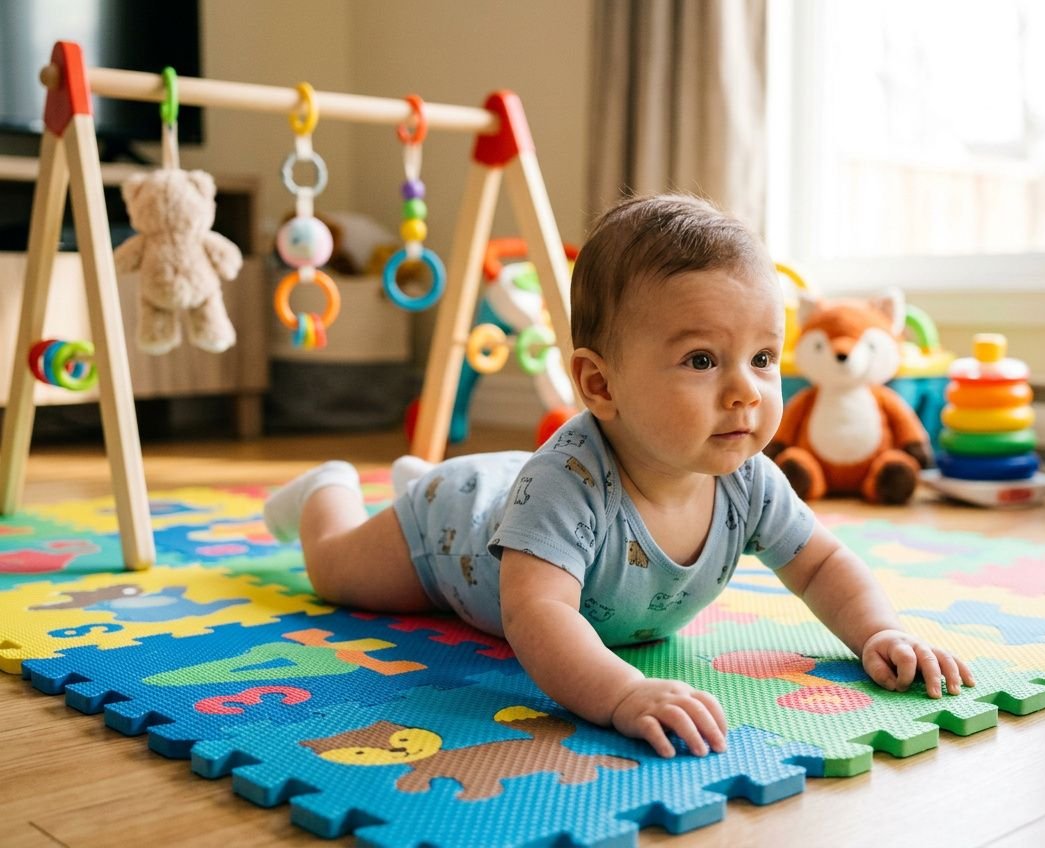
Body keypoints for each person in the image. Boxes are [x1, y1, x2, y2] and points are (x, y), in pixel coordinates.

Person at [263, 194, 975, 760]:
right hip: (448, 533)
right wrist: (621, 694)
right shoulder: (567, 484)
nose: (747, 392)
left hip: (513, 490)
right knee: (332, 572)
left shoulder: (747, 477)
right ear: (600, 385)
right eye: (702, 360)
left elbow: (822, 564)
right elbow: (538, 615)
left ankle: (419, 474)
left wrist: (878, 632)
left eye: (763, 357)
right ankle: (331, 485)